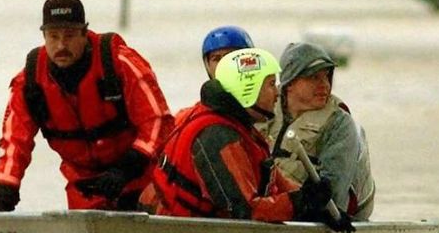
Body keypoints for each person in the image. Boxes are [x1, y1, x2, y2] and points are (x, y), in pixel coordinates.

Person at [0, 0, 174, 219]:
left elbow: (159, 121)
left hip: (143, 179)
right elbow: (14, 143)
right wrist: (2, 197)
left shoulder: (122, 64)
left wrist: (126, 169)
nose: (61, 45)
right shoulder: (29, 84)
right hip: (86, 189)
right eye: (53, 36)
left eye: (70, 36)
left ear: (85, 33)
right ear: (43, 37)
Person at [143, 47, 336, 223]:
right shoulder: (217, 136)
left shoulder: (236, 124)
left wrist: (315, 203)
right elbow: (245, 211)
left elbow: (273, 178)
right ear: (248, 90)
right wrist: (300, 202)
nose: (278, 93)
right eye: (271, 84)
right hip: (177, 232)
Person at [267, 42, 375, 220]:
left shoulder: (339, 123)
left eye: (327, 77)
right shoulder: (263, 108)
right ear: (290, 82)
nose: (324, 85)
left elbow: (335, 193)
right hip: (269, 209)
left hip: (313, 216)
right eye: (314, 78)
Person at [174, 25, 255, 124]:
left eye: (231, 57)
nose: (223, 64)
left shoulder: (269, 107)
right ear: (207, 66)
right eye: (216, 59)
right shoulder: (187, 118)